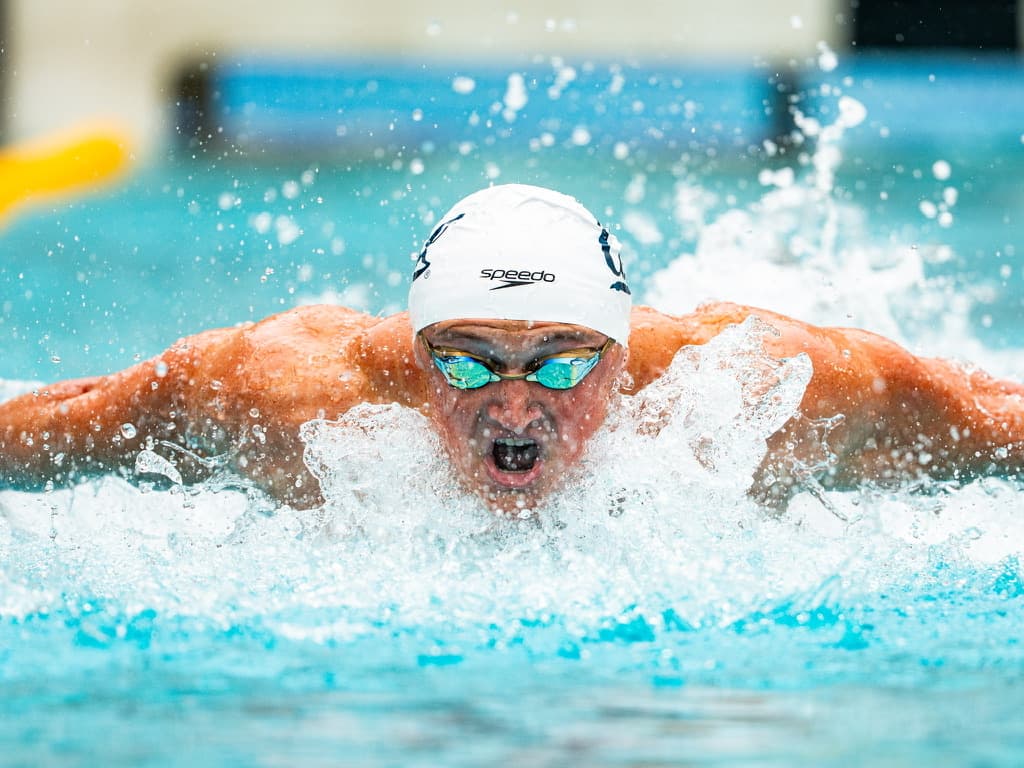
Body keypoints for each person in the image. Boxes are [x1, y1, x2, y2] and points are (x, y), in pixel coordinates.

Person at [2, 184, 1023, 512]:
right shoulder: (278, 391)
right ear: (413, 354)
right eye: (466, 359)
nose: (515, 406)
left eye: (565, 362)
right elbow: (65, 418)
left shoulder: (765, 389)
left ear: (625, 358)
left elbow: (988, 417)